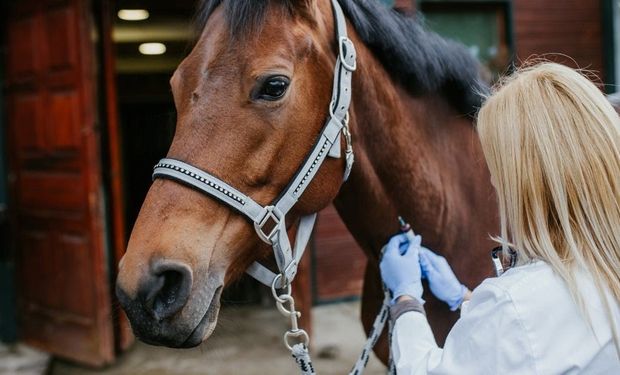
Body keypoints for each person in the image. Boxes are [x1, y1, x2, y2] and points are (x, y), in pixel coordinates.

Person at [380, 62, 620, 374]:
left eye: (497, 170)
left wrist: (406, 298)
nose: (492, 183)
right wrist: (464, 296)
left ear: (528, 182)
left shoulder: (516, 308)